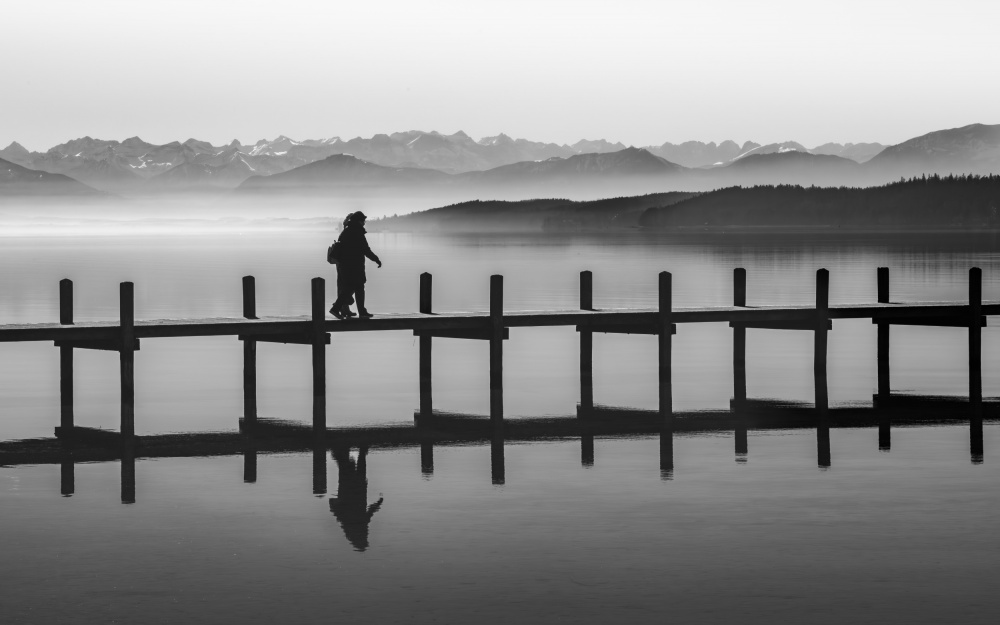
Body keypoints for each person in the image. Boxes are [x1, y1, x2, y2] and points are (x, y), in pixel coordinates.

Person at [330, 211, 382, 319]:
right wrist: (376, 259)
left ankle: (339, 309)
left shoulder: (345, 232)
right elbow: (365, 249)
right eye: (363, 221)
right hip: (355, 266)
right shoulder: (357, 232)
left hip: (345, 266)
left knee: (350, 288)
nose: (364, 223)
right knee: (357, 288)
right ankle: (357, 311)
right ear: (359, 221)